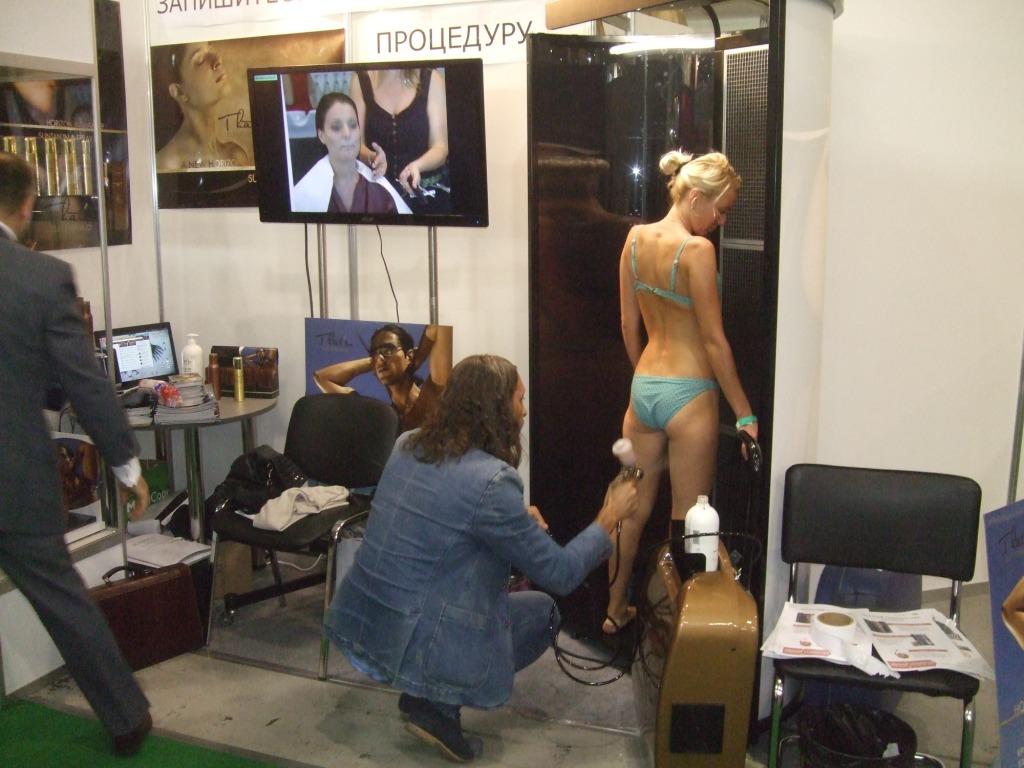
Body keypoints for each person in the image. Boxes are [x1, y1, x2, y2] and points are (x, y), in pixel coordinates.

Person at [325, 354, 638, 762]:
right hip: (419, 630)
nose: (525, 411)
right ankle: (438, 705)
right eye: (520, 399)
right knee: (542, 613)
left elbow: (440, 515)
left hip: (371, 621)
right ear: (496, 410)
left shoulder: (407, 444)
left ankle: (421, 692)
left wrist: (512, 519)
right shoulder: (492, 480)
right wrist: (609, 516)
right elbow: (561, 574)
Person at [0, 152, 153, 755]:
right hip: (14, 479)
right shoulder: (41, 279)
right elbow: (84, 383)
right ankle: (126, 720)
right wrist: (127, 465)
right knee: (64, 603)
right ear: (26, 205)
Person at [605, 150, 757, 635]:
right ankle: (684, 632)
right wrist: (745, 413)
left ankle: (614, 611)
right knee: (690, 521)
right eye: (721, 210)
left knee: (629, 509)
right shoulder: (696, 251)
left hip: (645, 389)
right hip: (690, 393)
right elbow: (713, 341)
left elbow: (627, 324)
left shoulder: (633, 239)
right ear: (696, 199)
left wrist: (645, 377)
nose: (721, 221)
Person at [313, 324, 451, 432]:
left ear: (408, 356)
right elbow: (322, 377)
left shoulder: (434, 393)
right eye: (375, 354)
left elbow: (439, 328)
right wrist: (373, 361)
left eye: (388, 350)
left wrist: (417, 359)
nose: (379, 359)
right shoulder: (380, 417)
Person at [349, 67, 450, 212]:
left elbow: (440, 147)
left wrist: (417, 166)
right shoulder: (360, 81)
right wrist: (373, 157)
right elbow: (355, 144)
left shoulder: (432, 78)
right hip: (378, 197)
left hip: (426, 196)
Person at [290, 92, 409, 214]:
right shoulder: (304, 196)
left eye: (353, 125)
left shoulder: (380, 193)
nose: (347, 134)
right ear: (321, 135)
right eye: (336, 127)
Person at [154, 41, 249, 171]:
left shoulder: (236, 156)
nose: (217, 60)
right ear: (179, 92)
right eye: (200, 60)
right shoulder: (166, 165)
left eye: (212, 50)